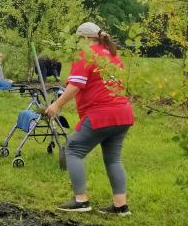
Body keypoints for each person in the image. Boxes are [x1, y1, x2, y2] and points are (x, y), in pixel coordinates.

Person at [44, 22, 134, 215]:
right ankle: (120, 206)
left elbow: (75, 85)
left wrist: (56, 105)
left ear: (84, 39)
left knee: (73, 150)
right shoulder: (112, 55)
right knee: (113, 159)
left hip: (101, 113)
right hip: (123, 113)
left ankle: (81, 201)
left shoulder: (86, 54)